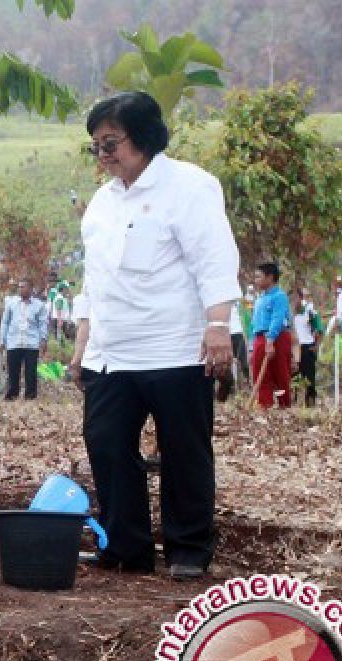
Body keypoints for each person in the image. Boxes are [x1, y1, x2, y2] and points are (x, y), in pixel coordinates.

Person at [69, 92, 240, 581]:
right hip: (112, 353)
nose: (103, 155)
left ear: (144, 136)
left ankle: (188, 548)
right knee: (105, 443)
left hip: (175, 346)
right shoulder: (101, 204)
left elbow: (215, 259)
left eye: (110, 143)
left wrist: (217, 326)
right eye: (95, 146)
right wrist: (83, 347)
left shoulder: (189, 186)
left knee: (183, 449)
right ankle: (126, 546)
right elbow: (92, 281)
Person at [249, 262, 293, 409]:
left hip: (277, 337)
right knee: (260, 374)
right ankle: (265, 405)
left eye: (258, 276)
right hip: (259, 338)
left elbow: (277, 319)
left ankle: (284, 407)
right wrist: (251, 346)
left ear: (270, 277)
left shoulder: (279, 296)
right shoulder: (259, 299)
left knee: (280, 373)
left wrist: (270, 340)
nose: (256, 280)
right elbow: (254, 324)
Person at [0, 279, 49, 400]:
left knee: (30, 371)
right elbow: (5, 322)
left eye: (24, 287)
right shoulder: (11, 303)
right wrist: (2, 340)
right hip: (13, 341)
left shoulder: (39, 305)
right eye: (19, 287)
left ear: (31, 289)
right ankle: (12, 394)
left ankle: (30, 396)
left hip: (31, 343)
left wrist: (43, 339)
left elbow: (42, 323)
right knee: (13, 371)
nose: (21, 289)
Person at [292, 286, 322, 407]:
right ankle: (293, 405)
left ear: (300, 298)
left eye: (295, 298)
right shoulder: (287, 314)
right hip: (293, 350)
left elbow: (319, 329)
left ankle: (310, 404)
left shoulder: (309, 311)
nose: (293, 301)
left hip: (307, 347)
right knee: (293, 378)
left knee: (309, 378)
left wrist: (316, 346)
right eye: (291, 298)